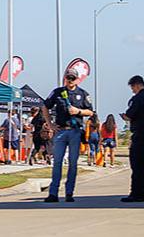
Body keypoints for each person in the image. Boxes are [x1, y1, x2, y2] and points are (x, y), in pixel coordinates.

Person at [43, 69, 94, 202]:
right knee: (57, 162)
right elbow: (45, 106)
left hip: (75, 131)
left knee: (73, 163)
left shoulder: (82, 94)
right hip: (60, 131)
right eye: (68, 77)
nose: (70, 80)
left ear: (77, 79)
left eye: (72, 78)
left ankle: (69, 192)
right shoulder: (57, 92)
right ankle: (53, 193)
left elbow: (90, 112)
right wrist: (50, 124)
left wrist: (78, 111)